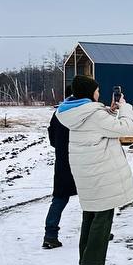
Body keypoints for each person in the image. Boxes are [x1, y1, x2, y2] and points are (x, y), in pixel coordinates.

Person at [56, 75, 133, 265]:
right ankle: (92, 264)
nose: (99, 94)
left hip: (87, 173)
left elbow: (96, 126)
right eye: (97, 91)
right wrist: (125, 108)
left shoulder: (76, 113)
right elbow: (125, 128)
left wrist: (109, 111)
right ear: (90, 92)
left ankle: (86, 260)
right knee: (102, 217)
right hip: (100, 173)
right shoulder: (94, 115)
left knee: (90, 215)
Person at [43, 86, 77, 249]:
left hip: (63, 162)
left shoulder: (58, 113)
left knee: (59, 199)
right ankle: (95, 230)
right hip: (82, 161)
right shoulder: (84, 112)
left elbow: (52, 140)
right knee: (91, 198)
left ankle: (50, 235)